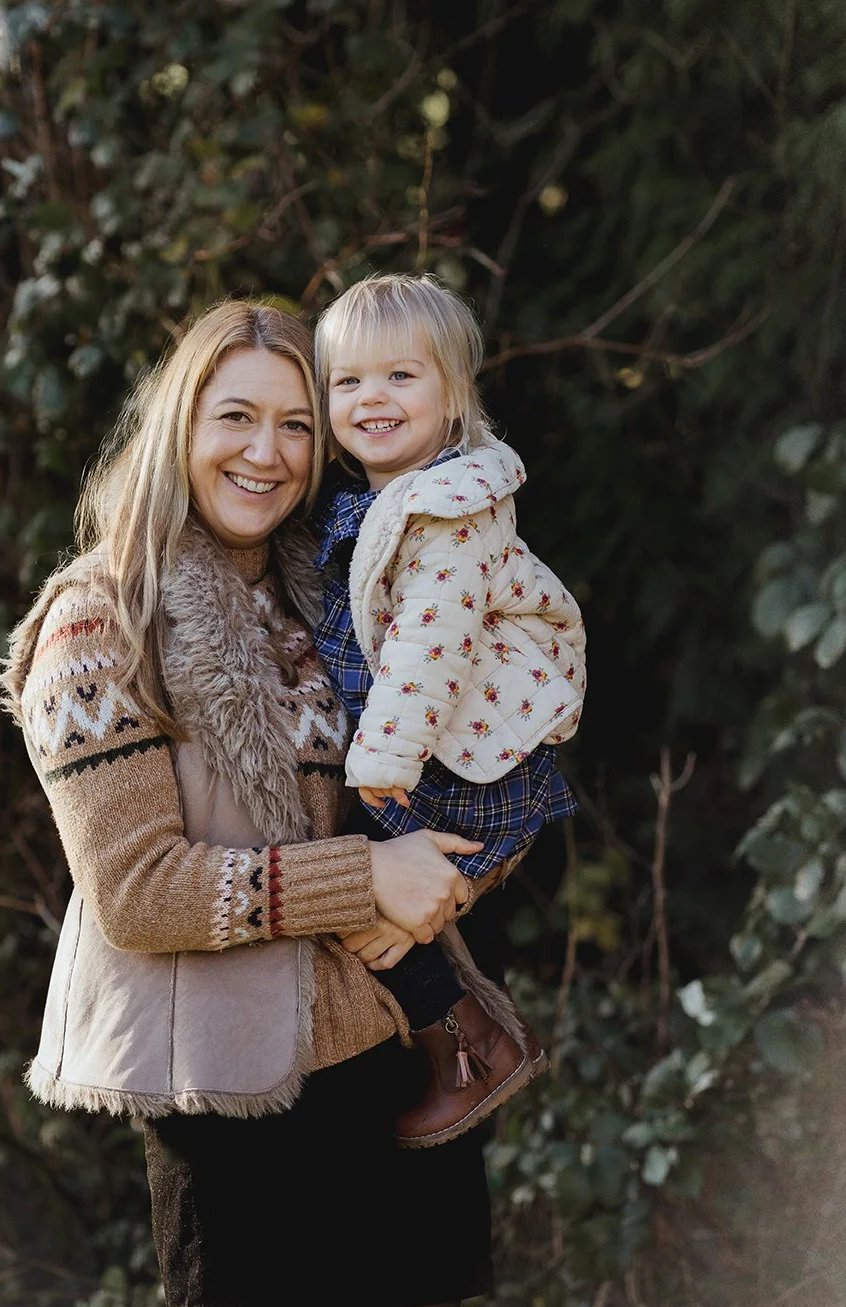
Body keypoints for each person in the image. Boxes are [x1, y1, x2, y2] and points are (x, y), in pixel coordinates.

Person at [0, 300, 530, 1307]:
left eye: (298, 423)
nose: (267, 450)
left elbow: (447, 779)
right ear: (179, 423)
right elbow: (137, 888)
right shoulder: (98, 620)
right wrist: (365, 878)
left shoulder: (349, 590)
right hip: (240, 1102)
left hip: (402, 1074)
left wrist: (456, 867)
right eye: (234, 415)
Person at [311, 272, 587, 1147]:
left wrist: (381, 767)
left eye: (401, 376)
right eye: (348, 382)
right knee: (344, 890)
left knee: (339, 879)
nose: (371, 398)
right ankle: (458, 1042)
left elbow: (430, 647)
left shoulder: (453, 510)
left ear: (454, 394)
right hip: (443, 753)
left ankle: (471, 1050)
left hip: (454, 771)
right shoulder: (394, 502)